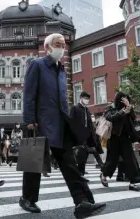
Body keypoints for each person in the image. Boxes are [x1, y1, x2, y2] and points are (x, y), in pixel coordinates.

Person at [21, 33, 106, 218]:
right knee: (35, 162)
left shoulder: (62, 69)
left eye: (64, 44)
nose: (62, 48)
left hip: (60, 124)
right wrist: (29, 120)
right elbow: (28, 94)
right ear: (48, 47)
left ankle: (82, 202)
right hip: (41, 122)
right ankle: (27, 198)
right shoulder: (37, 65)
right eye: (58, 44)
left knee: (70, 164)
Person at [99, 92, 140, 191]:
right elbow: (109, 117)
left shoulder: (128, 108)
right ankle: (104, 174)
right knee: (112, 160)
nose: (124, 102)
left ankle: (133, 182)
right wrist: (122, 112)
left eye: (126, 100)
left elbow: (133, 118)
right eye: (123, 100)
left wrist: (129, 107)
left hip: (125, 138)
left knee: (131, 160)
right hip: (113, 138)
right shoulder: (111, 107)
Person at [71, 91, 104, 177]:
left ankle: (101, 169)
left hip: (88, 136)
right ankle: (101, 167)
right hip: (79, 136)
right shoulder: (75, 108)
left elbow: (90, 124)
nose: (87, 100)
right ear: (81, 98)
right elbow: (71, 123)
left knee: (88, 154)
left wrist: (94, 134)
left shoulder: (87, 110)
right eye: (85, 98)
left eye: (88, 99)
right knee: (83, 156)